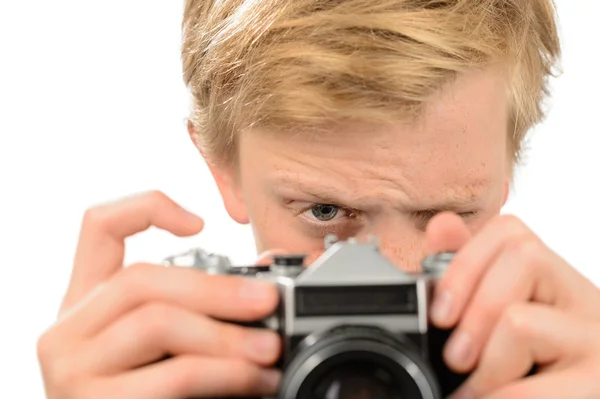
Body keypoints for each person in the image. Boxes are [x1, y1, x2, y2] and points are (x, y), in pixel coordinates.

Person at [36, 0, 600, 398]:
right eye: (325, 212)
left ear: (506, 174)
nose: (387, 271)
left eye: (448, 214)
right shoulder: (183, 369)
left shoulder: (563, 363)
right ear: (223, 172)